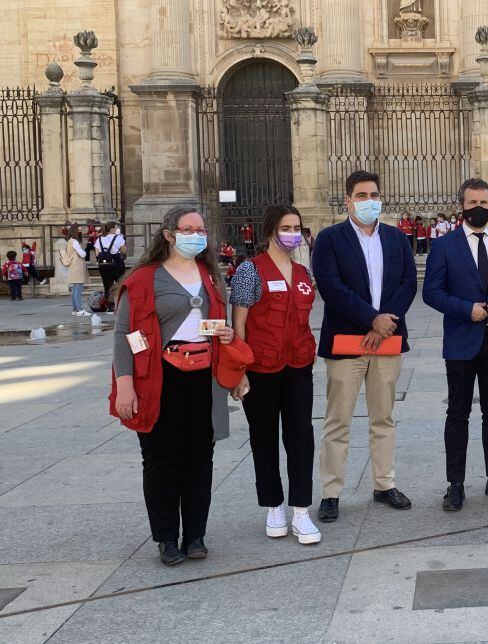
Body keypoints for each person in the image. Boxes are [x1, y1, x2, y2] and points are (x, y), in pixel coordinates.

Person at [109, 207, 240, 565]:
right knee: (161, 459)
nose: (196, 235)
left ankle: (195, 534)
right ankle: (167, 538)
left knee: (200, 458)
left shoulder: (211, 275)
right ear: (169, 234)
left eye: (201, 229)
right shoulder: (143, 280)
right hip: (159, 377)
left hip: (203, 377)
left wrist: (224, 332)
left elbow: (214, 323)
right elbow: (127, 334)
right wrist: (125, 384)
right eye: (188, 229)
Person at [313, 170, 417, 521]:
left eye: (374, 194)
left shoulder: (395, 238)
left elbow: (407, 284)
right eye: (361, 195)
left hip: (386, 339)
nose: (369, 200)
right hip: (346, 341)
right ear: (348, 200)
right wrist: (371, 319)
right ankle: (331, 492)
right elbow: (330, 286)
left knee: (383, 416)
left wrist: (385, 322)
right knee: (338, 419)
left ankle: (384, 484)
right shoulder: (330, 239)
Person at [423, 178, 488, 512]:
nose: (479, 208)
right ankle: (455, 483)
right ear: (461, 205)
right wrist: (464, 309)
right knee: (457, 413)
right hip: (460, 342)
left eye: (484, 202)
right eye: (472, 203)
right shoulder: (444, 246)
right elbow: (431, 292)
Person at [229, 205, 321, 545]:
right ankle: (273, 505)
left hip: (298, 366)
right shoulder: (249, 271)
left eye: (296, 227)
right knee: (263, 437)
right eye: (286, 227)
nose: (292, 233)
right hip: (260, 368)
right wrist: (239, 371)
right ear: (271, 231)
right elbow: (238, 325)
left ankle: (301, 509)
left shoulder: (302, 272)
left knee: (301, 437)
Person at [94, 221, 128, 314]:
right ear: (113, 229)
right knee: (121, 285)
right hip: (117, 263)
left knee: (107, 286)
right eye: (116, 227)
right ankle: (123, 306)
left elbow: (97, 253)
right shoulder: (119, 237)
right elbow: (124, 251)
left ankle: (110, 307)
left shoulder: (100, 239)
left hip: (104, 265)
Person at [60, 226, 89, 315]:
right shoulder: (75, 242)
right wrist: (84, 250)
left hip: (73, 266)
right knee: (78, 289)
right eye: (79, 230)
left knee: (75, 289)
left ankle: (75, 309)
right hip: (78, 266)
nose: (80, 232)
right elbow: (83, 254)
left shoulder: (69, 241)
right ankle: (80, 310)